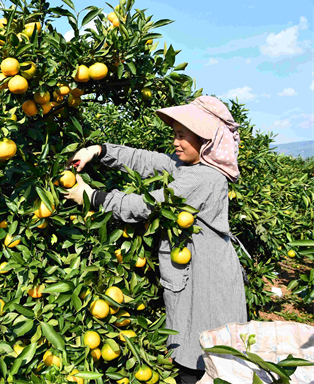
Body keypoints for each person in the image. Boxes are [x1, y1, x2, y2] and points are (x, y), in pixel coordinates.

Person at [64, 95, 248, 384]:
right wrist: (98, 150)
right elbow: (146, 160)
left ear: (205, 140)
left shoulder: (207, 178)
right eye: (174, 134)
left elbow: (144, 206)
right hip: (193, 271)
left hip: (207, 277)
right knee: (190, 343)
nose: (175, 142)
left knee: (201, 358)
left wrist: (92, 197)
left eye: (181, 136)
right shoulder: (187, 167)